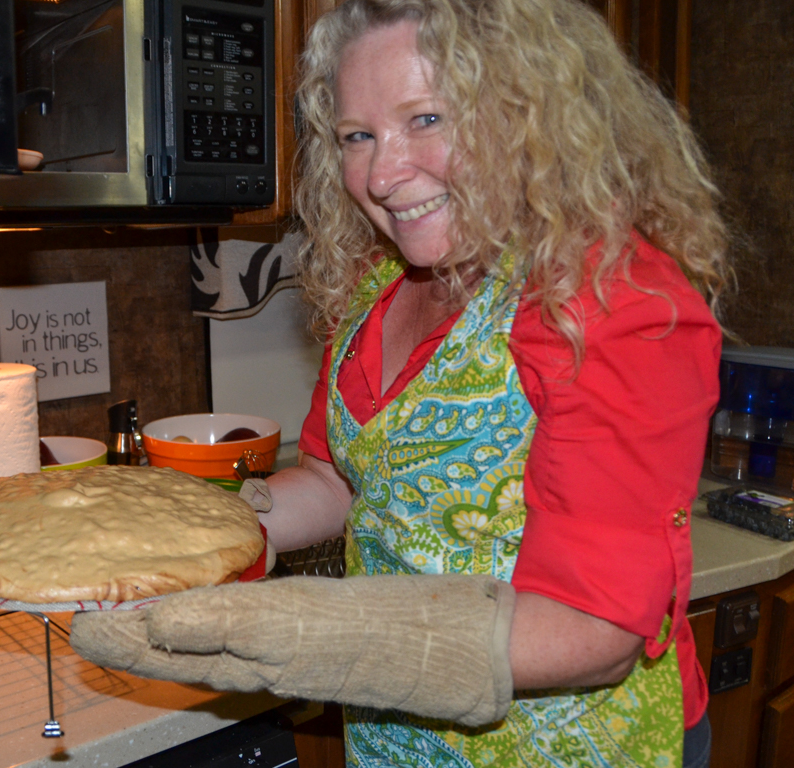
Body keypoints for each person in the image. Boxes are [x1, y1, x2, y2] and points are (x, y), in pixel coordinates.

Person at [71, 1, 731, 766]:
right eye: (359, 136)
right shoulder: (383, 282)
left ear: (530, 113)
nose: (382, 176)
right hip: (398, 744)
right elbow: (337, 478)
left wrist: (303, 634)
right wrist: (191, 533)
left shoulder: (614, 300)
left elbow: (592, 633)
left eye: (426, 119)